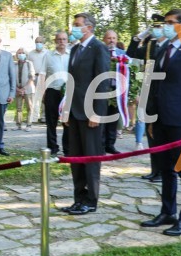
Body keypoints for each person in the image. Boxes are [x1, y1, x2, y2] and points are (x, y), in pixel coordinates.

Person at [141, 9, 181, 236]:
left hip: (180, 121)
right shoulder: (163, 49)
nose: (165, 26)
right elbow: (154, 86)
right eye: (165, 23)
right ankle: (167, 211)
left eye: (170, 23)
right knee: (166, 169)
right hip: (160, 119)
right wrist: (150, 116)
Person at [61, 13, 109, 216]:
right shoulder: (75, 50)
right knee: (76, 158)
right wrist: (66, 110)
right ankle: (78, 198)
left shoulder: (99, 48)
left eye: (77, 25)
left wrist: (96, 113)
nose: (74, 28)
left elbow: (103, 81)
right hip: (74, 112)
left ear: (88, 27)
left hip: (90, 113)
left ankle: (91, 201)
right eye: (74, 25)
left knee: (90, 159)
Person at [127, 14, 166, 181]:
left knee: (162, 134)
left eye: (159, 27)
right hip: (148, 92)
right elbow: (131, 53)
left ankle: (164, 171)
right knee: (151, 134)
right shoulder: (150, 45)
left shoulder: (171, 46)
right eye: (154, 27)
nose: (156, 30)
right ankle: (155, 170)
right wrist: (138, 37)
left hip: (163, 94)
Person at [42, 31, 71, 156]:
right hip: (52, 92)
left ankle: (68, 148)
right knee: (51, 121)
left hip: (68, 93)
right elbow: (42, 75)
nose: (62, 42)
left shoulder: (72, 55)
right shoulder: (48, 55)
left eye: (64, 39)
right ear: (55, 41)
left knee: (67, 121)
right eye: (59, 39)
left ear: (67, 41)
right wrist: (42, 92)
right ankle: (52, 147)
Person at [101, 29, 122, 154]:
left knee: (113, 118)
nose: (112, 40)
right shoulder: (100, 52)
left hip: (117, 90)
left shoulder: (122, 54)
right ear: (104, 39)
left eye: (114, 38)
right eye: (109, 38)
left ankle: (111, 144)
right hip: (102, 91)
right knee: (103, 118)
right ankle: (101, 145)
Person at [27, 36, 48, 123]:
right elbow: (27, 65)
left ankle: (44, 116)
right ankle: (34, 117)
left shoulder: (47, 53)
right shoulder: (31, 54)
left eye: (40, 42)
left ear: (43, 43)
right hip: (34, 77)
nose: (38, 43)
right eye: (37, 42)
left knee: (44, 97)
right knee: (34, 97)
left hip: (44, 76)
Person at [14, 47, 36, 132]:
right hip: (18, 89)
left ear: (26, 54)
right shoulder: (14, 64)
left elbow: (32, 77)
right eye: (19, 53)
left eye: (22, 53)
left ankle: (29, 124)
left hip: (28, 89)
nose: (20, 54)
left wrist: (24, 88)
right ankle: (18, 124)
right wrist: (17, 89)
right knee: (18, 108)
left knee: (29, 107)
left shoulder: (29, 63)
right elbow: (12, 77)